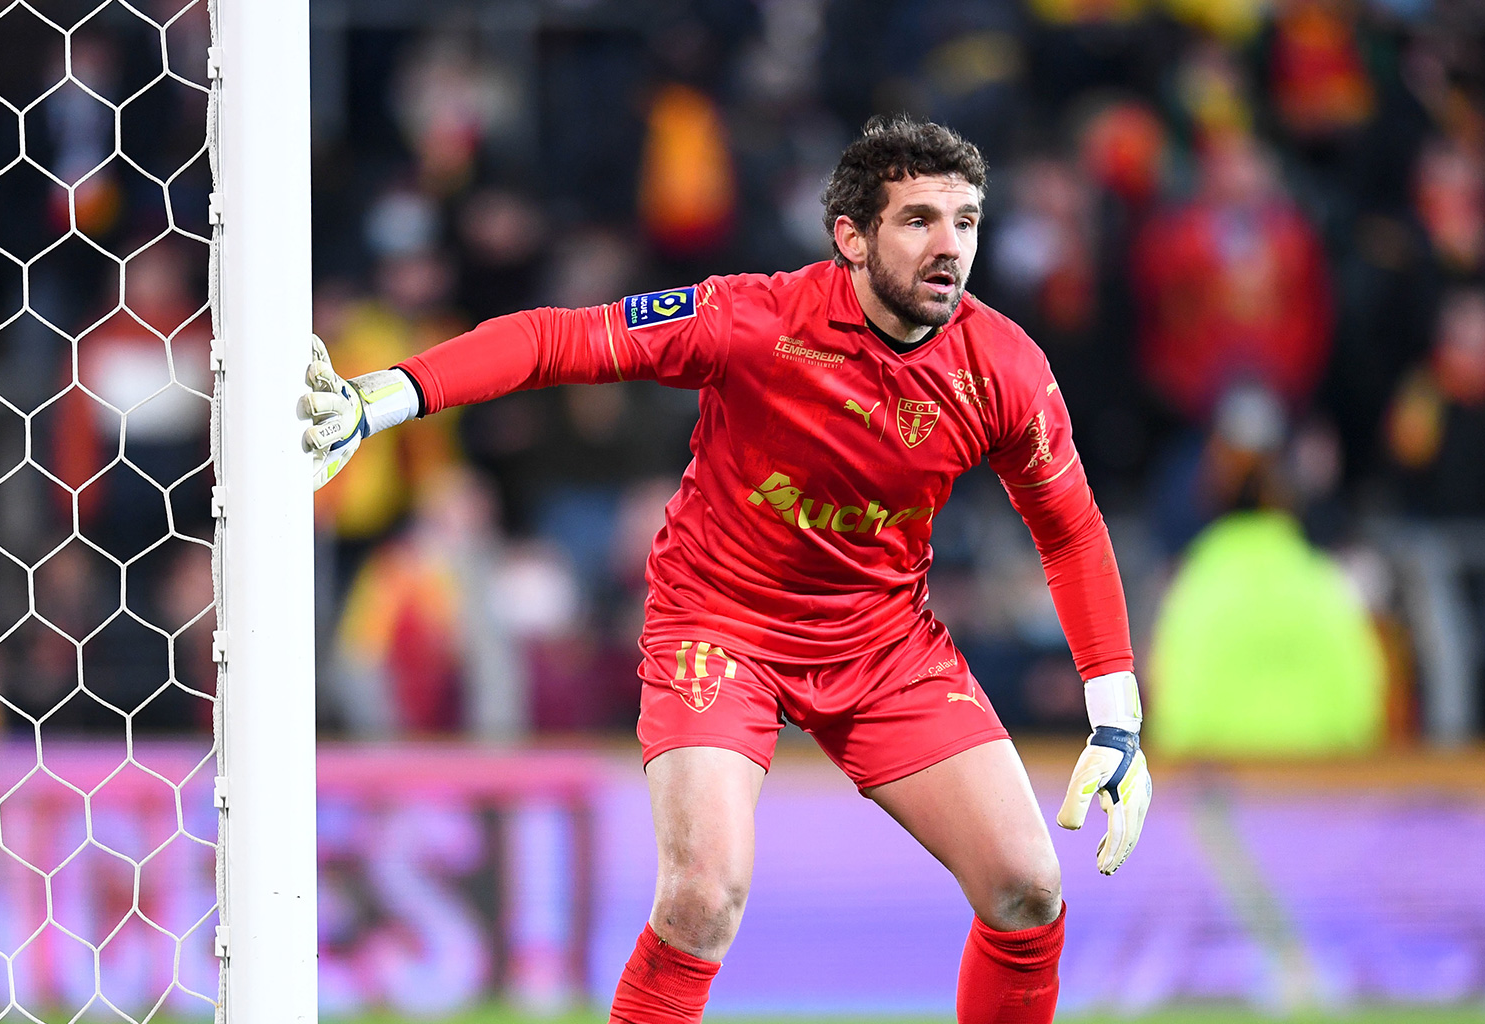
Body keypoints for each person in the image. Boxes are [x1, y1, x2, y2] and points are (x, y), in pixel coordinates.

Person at [301, 116, 1150, 1024]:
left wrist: (1115, 711)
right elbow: (559, 339)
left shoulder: (1005, 370)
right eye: (919, 221)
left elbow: (1070, 531)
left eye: (968, 221)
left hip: (882, 644)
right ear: (851, 238)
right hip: (720, 628)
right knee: (702, 899)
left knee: (1027, 888)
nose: (951, 248)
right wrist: (384, 396)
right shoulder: (753, 320)